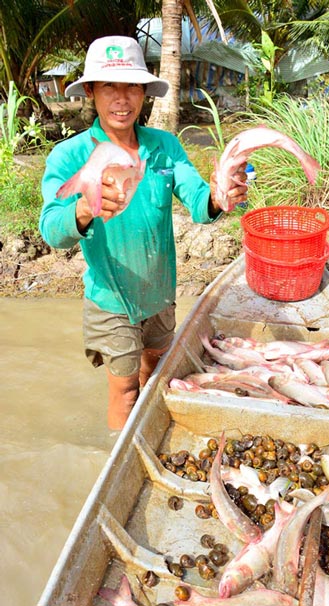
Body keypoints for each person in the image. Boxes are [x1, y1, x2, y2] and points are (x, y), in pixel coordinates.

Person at [40, 36, 247, 431]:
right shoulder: (69, 156)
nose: (122, 99)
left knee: (155, 374)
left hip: (160, 295)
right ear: (90, 91)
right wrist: (84, 209)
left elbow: (199, 201)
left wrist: (221, 197)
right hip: (111, 299)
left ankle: (149, 430)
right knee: (125, 392)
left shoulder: (164, 147)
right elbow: (52, 229)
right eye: (109, 86)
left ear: (144, 92)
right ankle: (121, 462)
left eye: (132, 86)